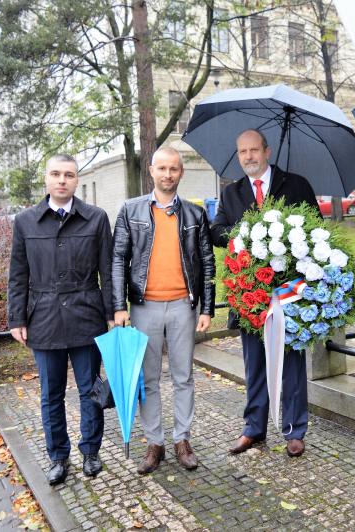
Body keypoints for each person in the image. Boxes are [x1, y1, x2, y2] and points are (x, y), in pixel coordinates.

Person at [210, 129, 319, 458]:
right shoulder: (232, 193)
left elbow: (317, 229)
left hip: (288, 293)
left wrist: (282, 237)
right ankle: (254, 428)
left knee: (292, 363)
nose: (249, 157)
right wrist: (246, 233)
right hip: (249, 294)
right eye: (243, 152)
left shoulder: (296, 185)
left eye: (254, 150)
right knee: (254, 363)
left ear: (267, 152)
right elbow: (216, 231)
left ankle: (294, 430)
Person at [7, 154, 113, 485]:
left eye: (68, 174)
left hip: (86, 316)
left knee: (89, 389)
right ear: (46, 178)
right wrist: (16, 318)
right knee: (51, 393)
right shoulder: (25, 221)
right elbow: (18, 274)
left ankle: (91, 451)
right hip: (44, 318)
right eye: (56, 174)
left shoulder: (96, 218)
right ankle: (58, 456)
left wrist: (112, 313)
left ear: (77, 179)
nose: (62, 180)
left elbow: (108, 271)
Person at [111, 146, 215, 473]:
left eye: (174, 169)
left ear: (181, 172)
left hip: (184, 305)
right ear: (151, 170)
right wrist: (118, 306)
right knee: (148, 378)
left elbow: (207, 262)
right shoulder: (130, 210)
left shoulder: (195, 214)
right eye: (162, 168)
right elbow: (118, 260)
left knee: (184, 376)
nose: (167, 174)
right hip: (145, 307)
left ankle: (182, 439)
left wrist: (207, 308)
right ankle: (155, 442)